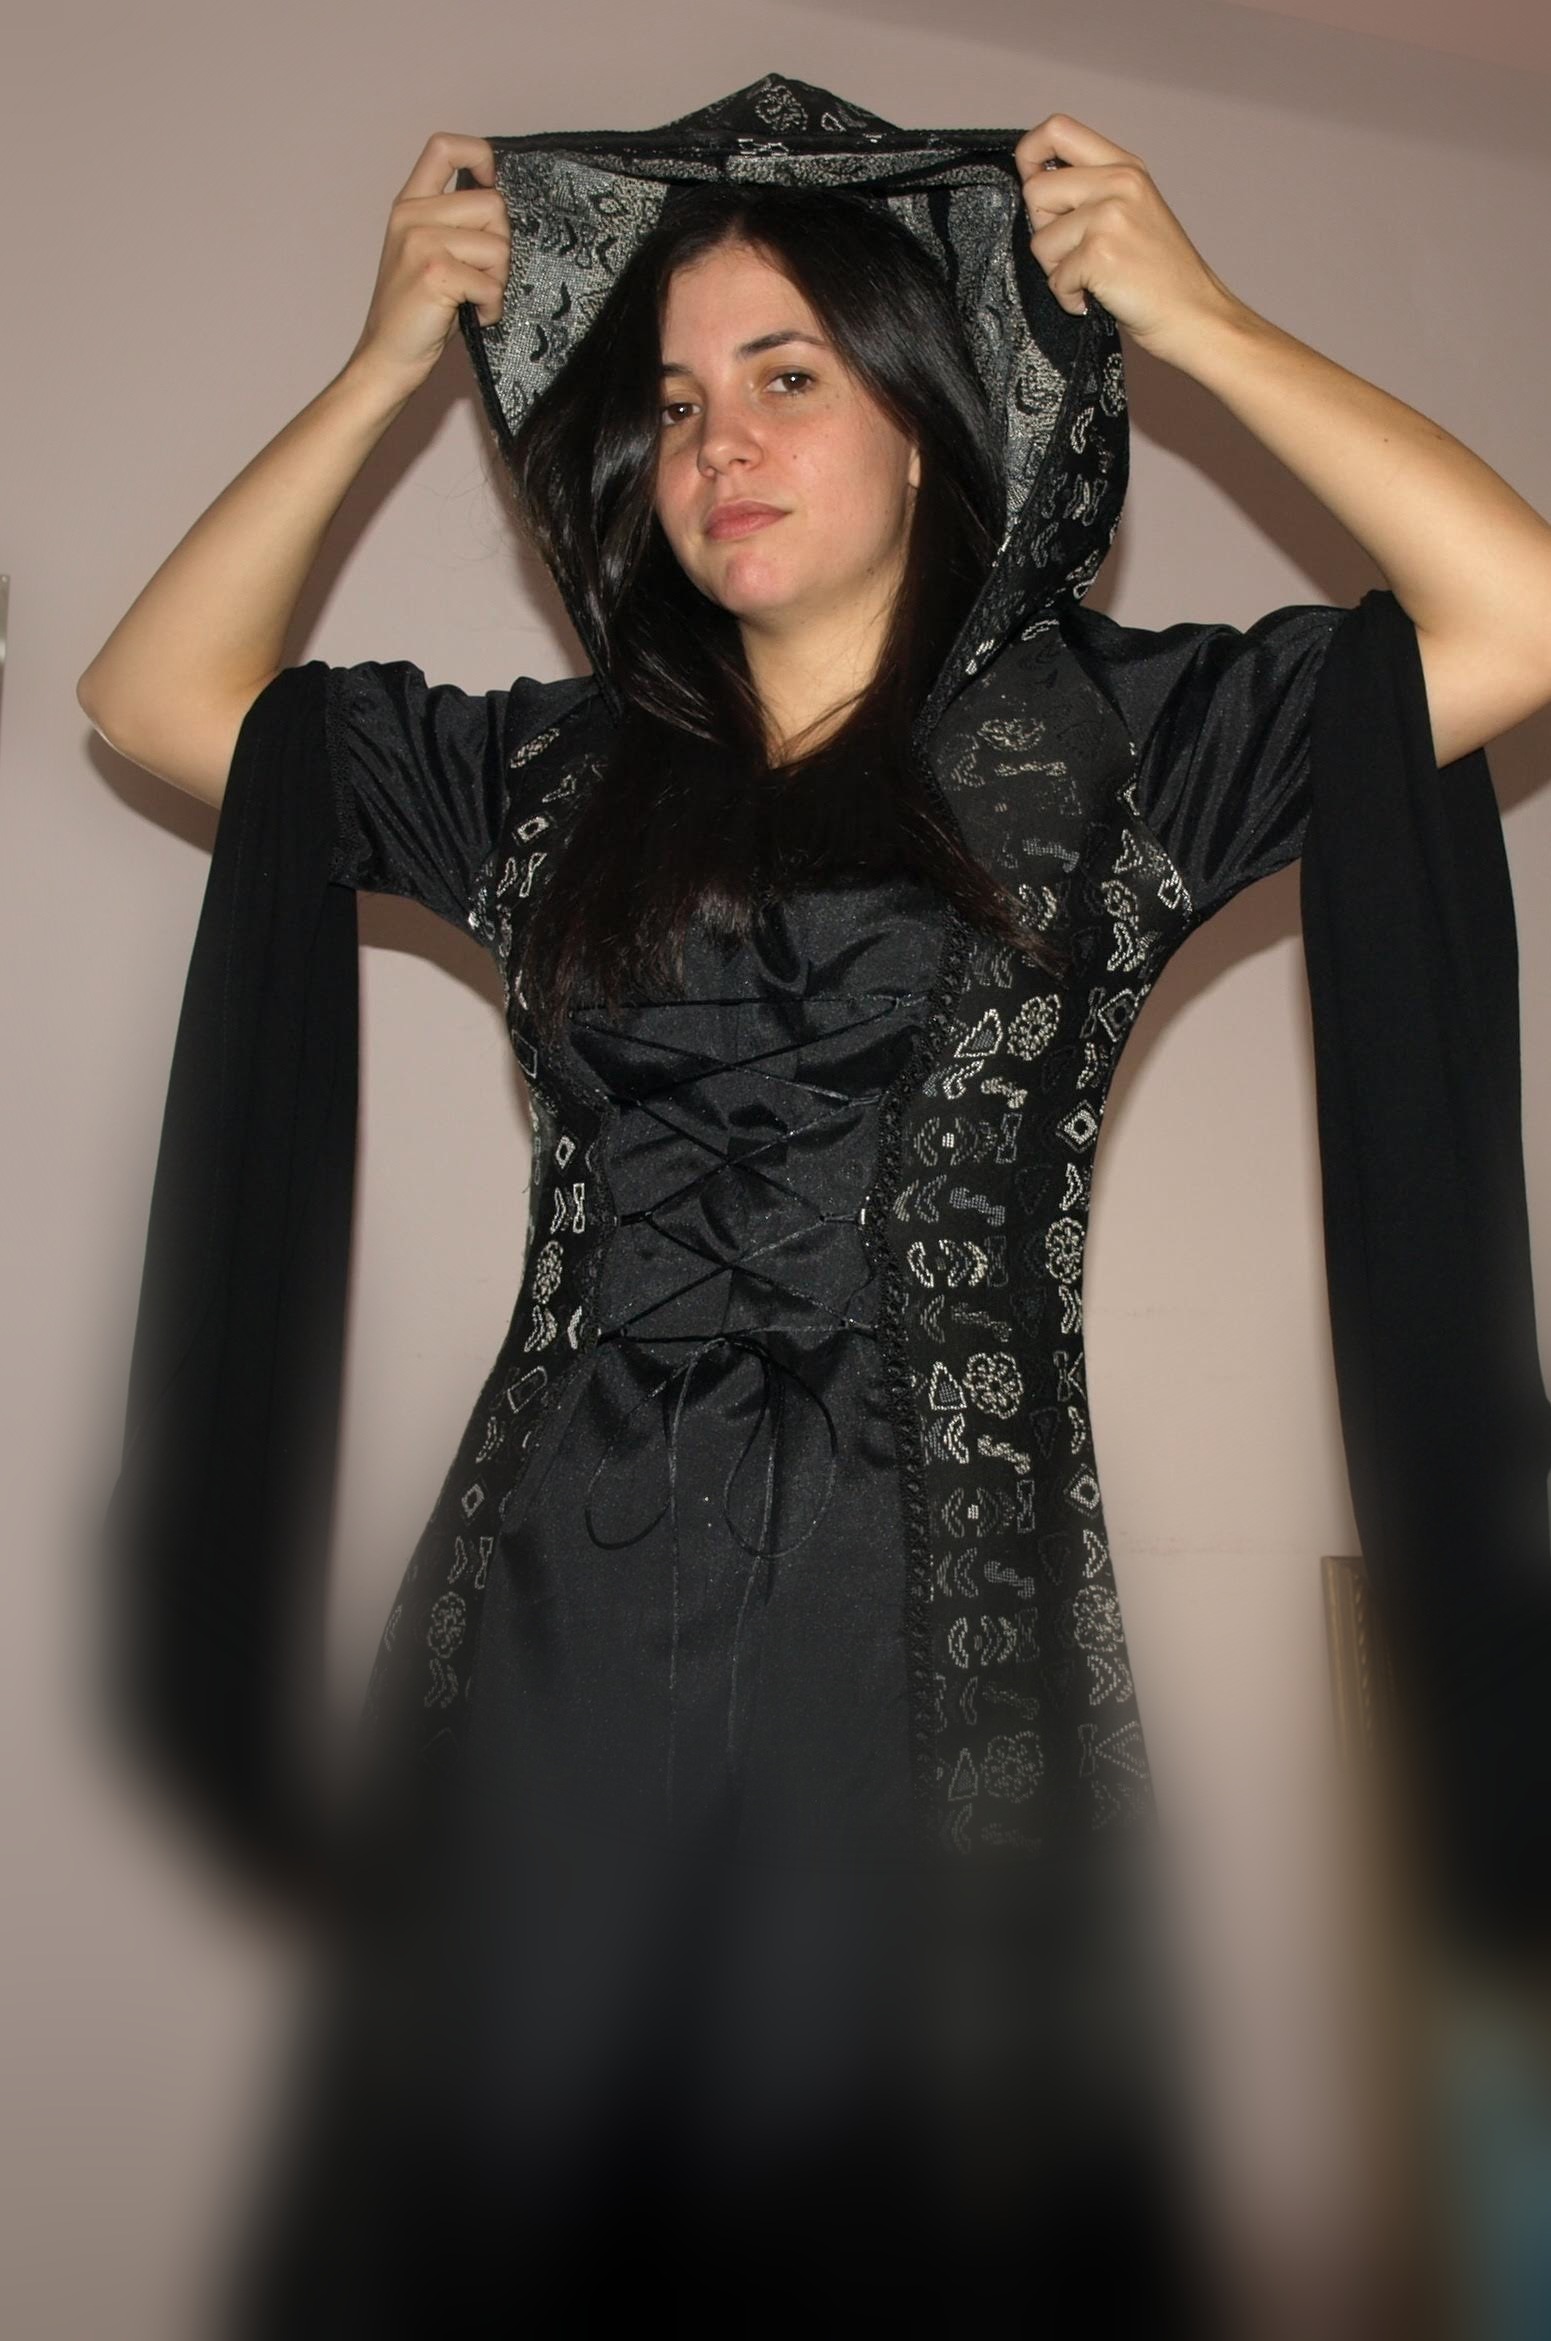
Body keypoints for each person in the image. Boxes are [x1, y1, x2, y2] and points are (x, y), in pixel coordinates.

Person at [79, 72, 1551, 2337]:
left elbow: (1519, 614)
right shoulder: (554, 776)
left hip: (928, 1630)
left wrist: (1202, 323)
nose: (716, 447)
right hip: (556, 1616)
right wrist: (384, 369)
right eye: (673, 403)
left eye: (785, 377)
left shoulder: (1112, 745)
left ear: (930, 420)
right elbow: (157, 694)